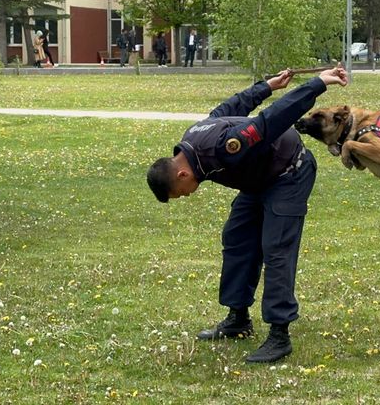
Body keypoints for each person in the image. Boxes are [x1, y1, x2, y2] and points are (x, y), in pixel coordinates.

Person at [146, 64, 349, 363]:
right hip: (258, 179)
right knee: (238, 237)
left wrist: (317, 84)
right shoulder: (193, 139)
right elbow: (231, 107)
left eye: (180, 193)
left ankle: (280, 334)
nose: (186, 196)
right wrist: (267, 85)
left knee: (276, 248)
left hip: (289, 173)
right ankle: (238, 318)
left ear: (182, 174)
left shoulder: (225, 149)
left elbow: (272, 119)